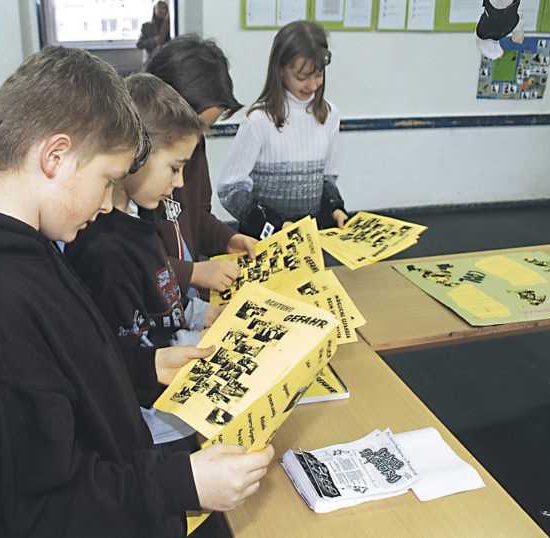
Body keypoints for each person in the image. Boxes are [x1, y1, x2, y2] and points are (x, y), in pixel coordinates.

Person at [0, 46, 273, 538]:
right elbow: (41, 508)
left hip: (118, 475)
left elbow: (65, 365)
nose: (105, 205)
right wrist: (182, 482)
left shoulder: (29, 242)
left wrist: (139, 367)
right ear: (54, 156)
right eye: (107, 180)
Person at [65, 72, 219, 450]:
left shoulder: (141, 218)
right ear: (139, 153)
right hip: (153, 425)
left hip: (170, 389)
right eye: (174, 167)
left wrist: (205, 317)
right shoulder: (103, 250)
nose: (180, 183)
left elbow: (164, 299)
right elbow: (127, 361)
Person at [145, 34, 258, 299]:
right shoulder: (132, 171)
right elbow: (130, 261)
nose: (196, 141)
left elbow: (196, 216)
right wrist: (191, 272)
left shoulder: (192, 143)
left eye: (205, 130)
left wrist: (228, 239)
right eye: (195, 127)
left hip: (189, 303)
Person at [217, 20, 348, 239]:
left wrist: (336, 208)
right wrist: (275, 225)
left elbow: (327, 178)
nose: (312, 85)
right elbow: (230, 190)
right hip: (266, 240)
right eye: (301, 77)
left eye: (318, 74)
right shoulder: (259, 120)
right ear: (279, 69)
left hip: (311, 238)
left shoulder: (329, 114)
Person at [136, 1, 170, 66]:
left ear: (167, 10)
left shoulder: (172, 27)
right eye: (159, 8)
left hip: (168, 61)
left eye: (163, 8)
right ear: (154, 10)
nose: (161, 10)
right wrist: (153, 41)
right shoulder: (147, 26)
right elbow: (139, 44)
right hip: (151, 62)